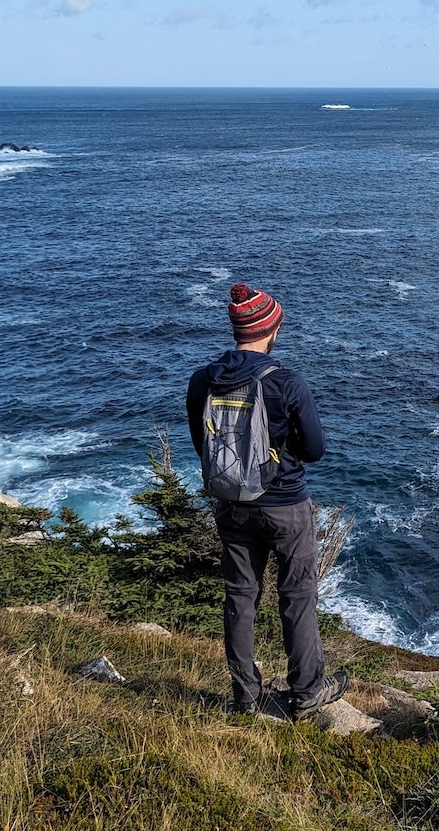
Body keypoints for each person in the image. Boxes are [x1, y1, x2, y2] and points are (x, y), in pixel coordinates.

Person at [186, 282, 347, 719]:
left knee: (240, 597)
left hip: (230, 502)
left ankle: (246, 696)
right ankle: (307, 691)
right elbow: (314, 450)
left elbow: (201, 440)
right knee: (297, 595)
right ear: (270, 328)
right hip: (285, 505)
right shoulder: (287, 382)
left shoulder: (203, 379)